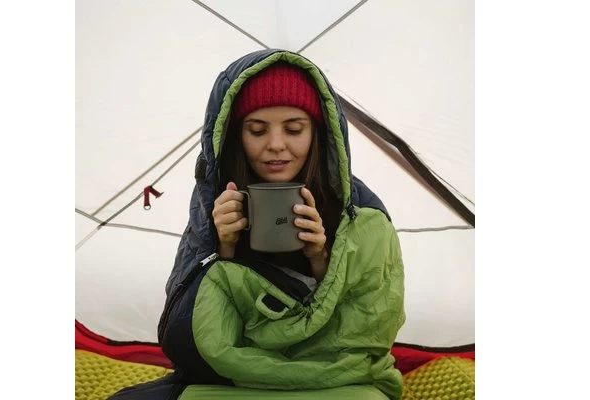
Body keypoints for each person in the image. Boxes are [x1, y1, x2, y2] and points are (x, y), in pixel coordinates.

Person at [109, 49, 405, 400]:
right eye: (257, 130)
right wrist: (223, 249)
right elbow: (192, 326)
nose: (276, 145)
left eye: (294, 129)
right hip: (233, 375)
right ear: (238, 135)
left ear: (318, 133)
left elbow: (368, 326)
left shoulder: (360, 213)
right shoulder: (214, 200)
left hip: (335, 379)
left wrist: (321, 258)